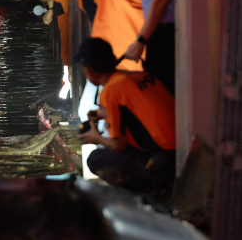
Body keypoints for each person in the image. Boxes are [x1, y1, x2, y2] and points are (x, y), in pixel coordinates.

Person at [75, 38, 175, 197]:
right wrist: (102, 113)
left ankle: (150, 193)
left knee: (95, 159)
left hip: (161, 162)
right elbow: (140, 109)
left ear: (90, 70)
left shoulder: (110, 91)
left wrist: (97, 138)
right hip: (178, 151)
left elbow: (118, 145)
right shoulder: (137, 76)